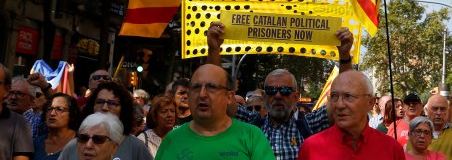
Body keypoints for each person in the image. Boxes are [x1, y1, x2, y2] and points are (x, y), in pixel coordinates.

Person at [206, 21, 355, 160]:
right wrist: (213, 49)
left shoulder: (310, 124)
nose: (277, 95)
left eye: (284, 90)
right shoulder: (251, 124)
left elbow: (343, 96)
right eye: (271, 90)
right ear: (264, 96)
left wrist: (344, 56)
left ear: (296, 97)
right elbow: (218, 96)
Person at [155, 64, 274, 159]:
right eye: (196, 87)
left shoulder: (252, 136)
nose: (202, 94)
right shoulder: (172, 140)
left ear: (229, 97)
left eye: (211, 88)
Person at [298, 70, 405, 160]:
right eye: (334, 96)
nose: (339, 105)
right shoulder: (310, 148)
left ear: (370, 103)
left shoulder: (392, 150)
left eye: (348, 96)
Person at [58, 81, 153, 159]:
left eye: (112, 103)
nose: (104, 107)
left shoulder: (136, 147)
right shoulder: (74, 145)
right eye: (99, 102)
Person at [0, 63, 34, 159]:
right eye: (12, 93)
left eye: (19, 94)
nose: (14, 97)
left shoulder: (21, 123)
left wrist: (45, 86)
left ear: (5, 90)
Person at [33, 93, 80, 159]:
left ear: (72, 114)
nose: (52, 113)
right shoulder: (35, 143)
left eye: (59, 109)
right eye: (49, 109)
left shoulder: (82, 142)